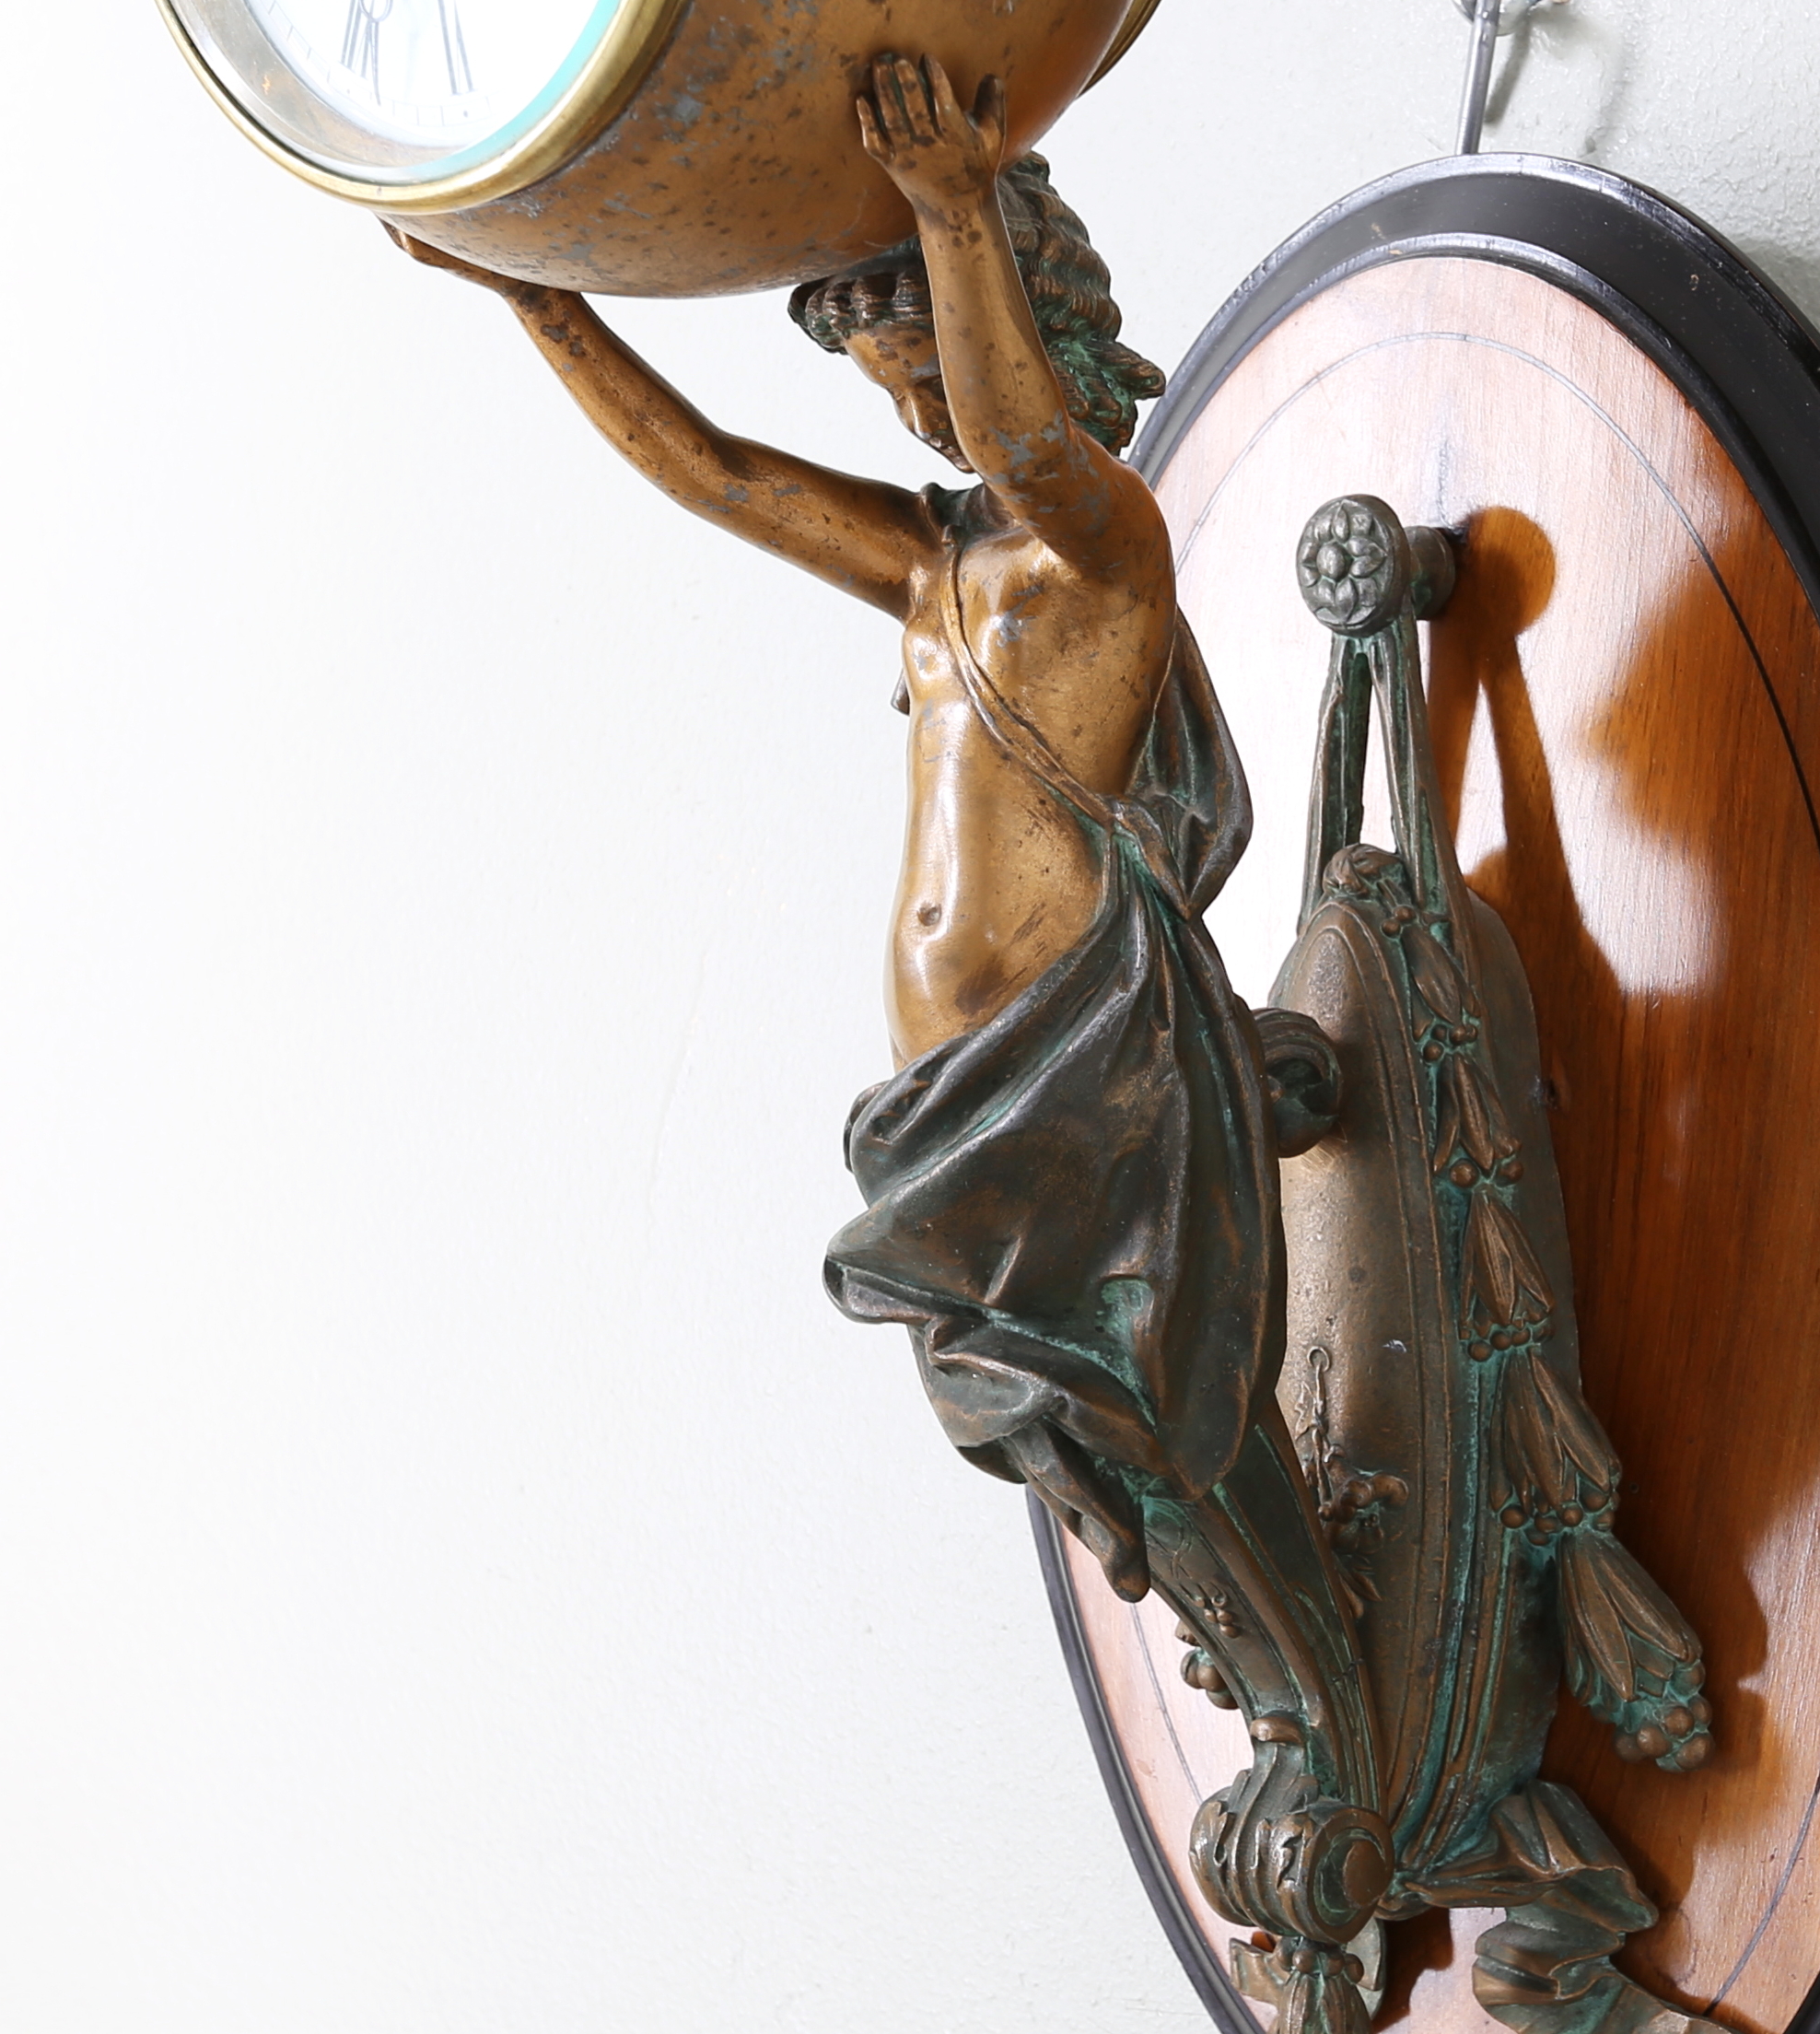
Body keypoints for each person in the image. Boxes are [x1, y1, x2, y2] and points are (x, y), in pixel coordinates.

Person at [391, 53, 1324, 1622]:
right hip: (950, 1095)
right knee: (1076, 1431)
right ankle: (1283, 1649)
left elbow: (1026, 448)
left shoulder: (1107, 552)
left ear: (1026, 329)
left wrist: (957, 211)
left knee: (1148, 1414)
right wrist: (541, 305)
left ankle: (1308, 1654)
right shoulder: (926, 566)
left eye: (936, 369)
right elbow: (720, 476)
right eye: (893, 389)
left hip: (1083, 1054)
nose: (920, 416)